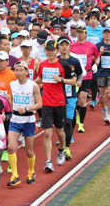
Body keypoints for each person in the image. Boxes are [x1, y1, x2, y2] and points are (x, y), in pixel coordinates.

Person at [35, 39, 76, 173]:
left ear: (57, 51)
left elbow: (74, 81)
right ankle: (48, 161)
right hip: (46, 103)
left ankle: (61, 150)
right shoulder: (42, 64)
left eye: (52, 50)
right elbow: (40, 79)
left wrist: (61, 80)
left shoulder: (63, 65)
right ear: (45, 51)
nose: (50, 52)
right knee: (47, 132)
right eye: (48, 50)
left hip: (60, 103)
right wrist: (28, 84)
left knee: (60, 132)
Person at [6, 62, 42, 186]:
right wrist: (9, 105)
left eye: (21, 70)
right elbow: (12, 100)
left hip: (28, 120)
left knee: (28, 150)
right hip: (15, 119)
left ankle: (31, 171)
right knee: (11, 147)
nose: (18, 73)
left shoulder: (33, 85)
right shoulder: (12, 84)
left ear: (27, 72)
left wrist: (27, 108)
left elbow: (39, 104)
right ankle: (15, 175)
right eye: (16, 70)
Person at [70, 24, 100, 133]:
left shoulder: (91, 46)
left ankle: (81, 123)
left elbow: (97, 55)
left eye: (82, 32)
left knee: (82, 100)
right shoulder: (72, 46)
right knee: (75, 101)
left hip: (87, 75)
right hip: (75, 77)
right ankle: (76, 117)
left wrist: (95, 64)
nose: (80, 34)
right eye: (78, 32)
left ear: (86, 34)